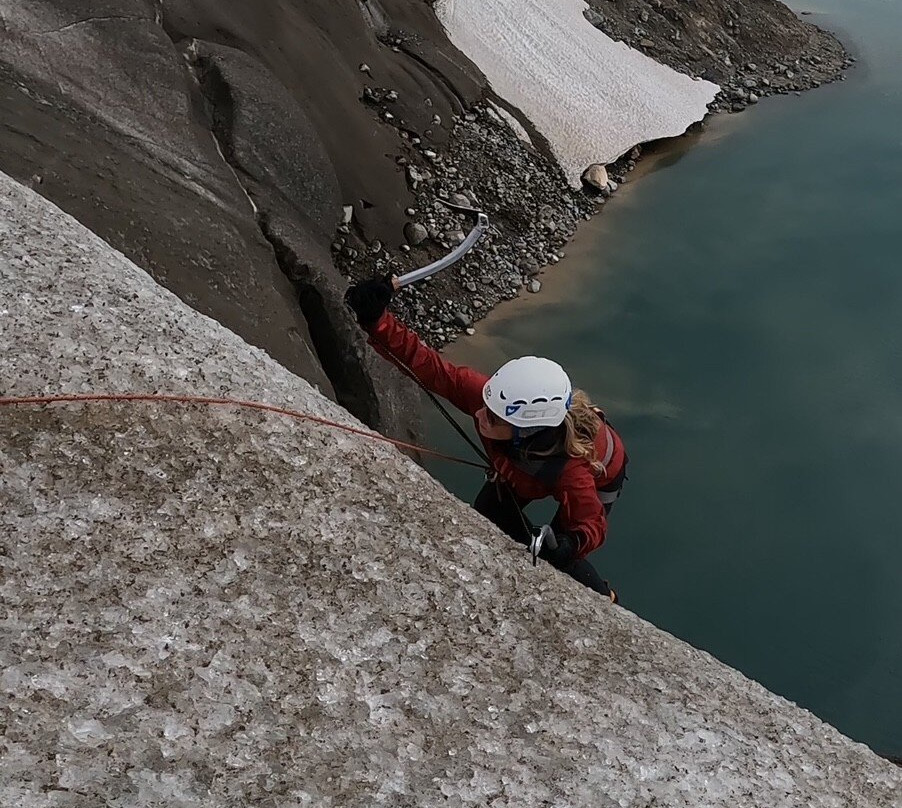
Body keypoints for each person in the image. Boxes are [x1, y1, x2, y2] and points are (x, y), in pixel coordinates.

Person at [345, 275, 628, 602]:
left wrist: (572, 544)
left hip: (603, 472)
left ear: (525, 428)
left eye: (493, 418)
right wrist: (377, 321)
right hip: (523, 469)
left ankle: (604, 598)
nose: (480, 415)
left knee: (558, 555)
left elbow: (590, 525)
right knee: (489, 511)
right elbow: (432, 369)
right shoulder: (495, 402)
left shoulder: (571, 471)